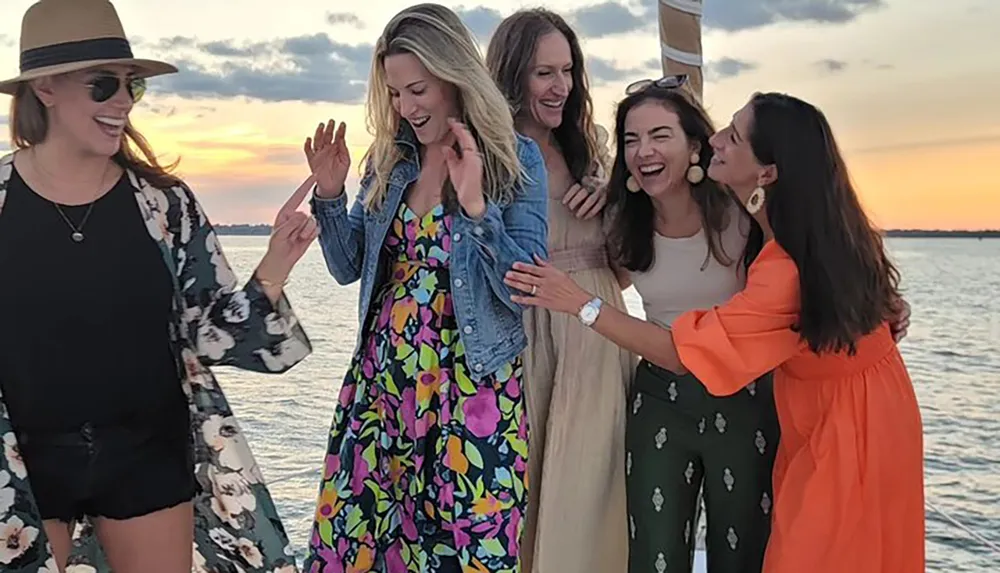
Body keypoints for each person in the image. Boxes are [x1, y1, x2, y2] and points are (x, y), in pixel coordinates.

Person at [504, 91, 924, 573]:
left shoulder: (767, 251)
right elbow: (843, 281)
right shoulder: (791, 232)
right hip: (812, 406)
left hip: (836, 417)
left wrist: (580, 303)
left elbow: (687, 351)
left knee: (808, 553)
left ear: (766, 172)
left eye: (732, 135)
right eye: (631, 140)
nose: (717, 139)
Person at [0, 1, 317, 572]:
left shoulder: (164, 205)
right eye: (103, 85)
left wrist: (274, 265)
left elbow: (210, 331)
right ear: (45, 88)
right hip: (21, 464)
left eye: (132, 87)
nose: (122, 101)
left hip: (146, 452)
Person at [302, 4, 548, 572]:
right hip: (382, 386)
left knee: (468, 552)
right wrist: (331, 195)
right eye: (393, 94)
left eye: (417, 90)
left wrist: (477, 207)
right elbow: (347, 267)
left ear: (454, 76)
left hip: (472, 390)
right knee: (359, 544)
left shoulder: (517, 158)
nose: (406, 108)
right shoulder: (391, 160)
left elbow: (525, 289)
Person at [484, 9, 632, 573]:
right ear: (512, 76)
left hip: (597, 335)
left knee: (590, 495)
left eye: (567, 70)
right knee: (522, 495)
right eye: (544, 73)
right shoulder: (489, 154)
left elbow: (622, 271)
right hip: (521, 335)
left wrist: (614, 197)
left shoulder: (591, 150)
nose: (561, 87)